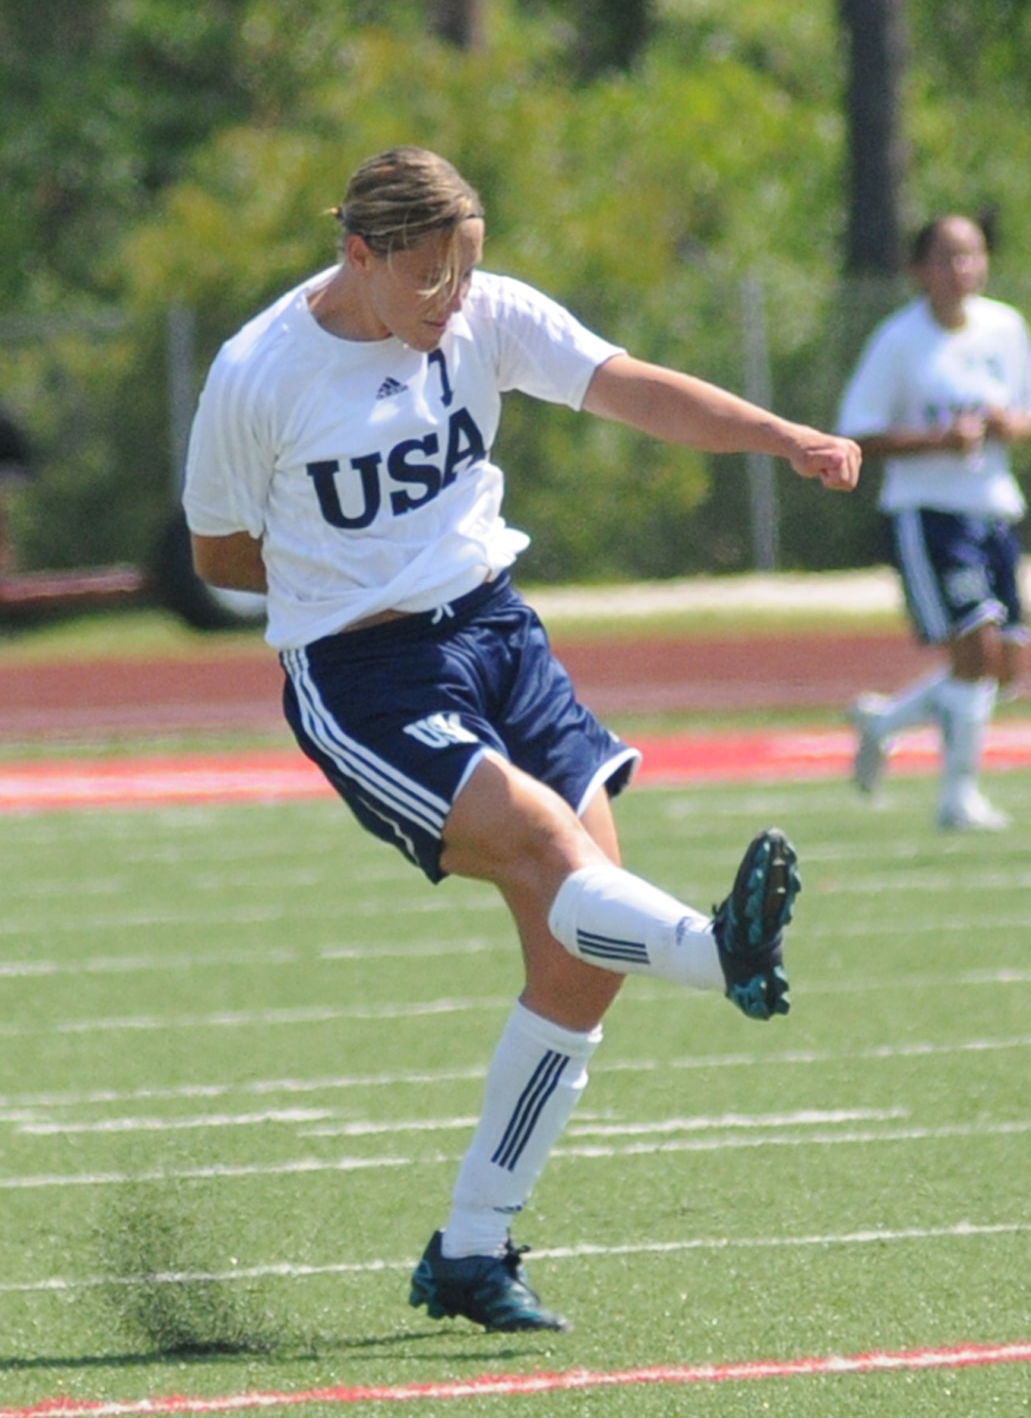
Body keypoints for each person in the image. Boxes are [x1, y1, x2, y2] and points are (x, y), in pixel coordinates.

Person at [180, 147, 861, 1333]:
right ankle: (722, 954)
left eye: (467, 273)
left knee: (584, 953)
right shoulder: (259, 373)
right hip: (364, 670)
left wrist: (781, 434)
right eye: (429, 280)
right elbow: (220, 553)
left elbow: (629, 384)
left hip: (499, 631)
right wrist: (351, 581)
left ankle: (470, 1247)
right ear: (359, 254)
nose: (452, 302)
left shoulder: (482, 312)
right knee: (561, 860)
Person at [838, 213, 1031, 830]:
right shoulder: (900, 340)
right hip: (929, 513)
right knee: (977, 648)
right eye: (949, 257)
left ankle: (885, 722)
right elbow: (859, 433)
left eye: (973, 255)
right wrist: (937, 440)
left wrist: (1013, 426)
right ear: (920, 269)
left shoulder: (1005, 327)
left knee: (1004, 665)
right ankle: (957, 797)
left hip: (994, 508)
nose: (963, 270)